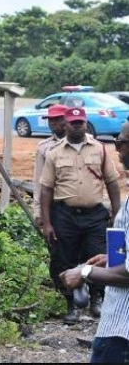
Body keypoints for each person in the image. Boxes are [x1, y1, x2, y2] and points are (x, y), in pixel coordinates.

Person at [40, 107, 121, 324]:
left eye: (81, 122)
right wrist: (47, 223)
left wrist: (117, 214)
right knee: (64, 258)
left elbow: (112, 182)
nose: (77, 126)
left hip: (95, 215)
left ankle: (97, 300)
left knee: (98, 256)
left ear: (86, 124)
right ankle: (71, 306)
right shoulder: (54, 153)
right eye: (73, 122)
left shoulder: (100, 149)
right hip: (65, 215)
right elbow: (46, 189)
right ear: (65, 124)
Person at [59, 120, 129, 363]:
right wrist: (111, 259)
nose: (117, 148)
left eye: (121, 142)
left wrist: (84, 272)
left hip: (122, 333)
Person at [33, 104, 68, 227]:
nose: (53, 123)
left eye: (57, 119)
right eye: (50, 119)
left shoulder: (82, 144)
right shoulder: (44, 148)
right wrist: (38, 212)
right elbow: (38, 181)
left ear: (67, 120)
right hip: (55, 207)